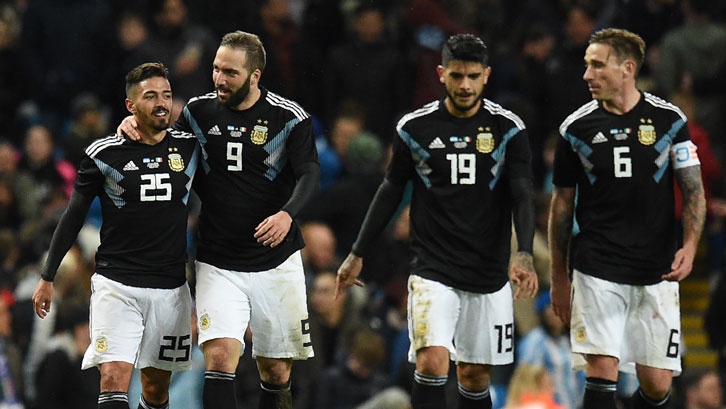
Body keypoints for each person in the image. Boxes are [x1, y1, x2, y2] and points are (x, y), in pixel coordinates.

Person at [336, 33, 538, 409]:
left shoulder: (508, 129)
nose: (465, 85)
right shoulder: (415, 128)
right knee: (432, 361)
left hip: (488, 269)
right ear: (442, 73)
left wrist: (524, 252)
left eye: (473, 76)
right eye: (457, 75)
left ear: (487, 75)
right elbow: (390, 190)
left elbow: (523, 194)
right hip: (433, 267)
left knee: (475, 375)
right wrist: (356, 252)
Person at [119, 30, 319, 409]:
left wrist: (287, 214)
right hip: (217, 258)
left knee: (276, 371)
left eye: (230, 72)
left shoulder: (289, 118)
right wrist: (132, 129)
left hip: (275, 259)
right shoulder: (199, 111)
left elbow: (311, 174)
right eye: (215, 69)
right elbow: (167, 150)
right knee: (220, 356)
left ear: (255, 76)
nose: (219, 79)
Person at [548, 28, 706, 409]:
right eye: (587, 65)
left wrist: (689, 246)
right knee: (602, 368)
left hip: (656, 267)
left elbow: (694, 191)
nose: (587, 75)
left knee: (656, 386)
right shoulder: (575, 129)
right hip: (596, 265)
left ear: (627, 69)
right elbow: (561, 206)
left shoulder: (670, 121)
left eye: (598, 65)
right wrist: (558, 276)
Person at [31, 62, 201, 409]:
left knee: (155, 389)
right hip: (116, 284)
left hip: (170, 286)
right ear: (130, 106)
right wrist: (47, 276)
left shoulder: (190, 147)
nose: (161, 103)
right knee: (112, 377)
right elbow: (73, 216)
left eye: (166, 96)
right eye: (150, 96)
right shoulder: (103, 154)